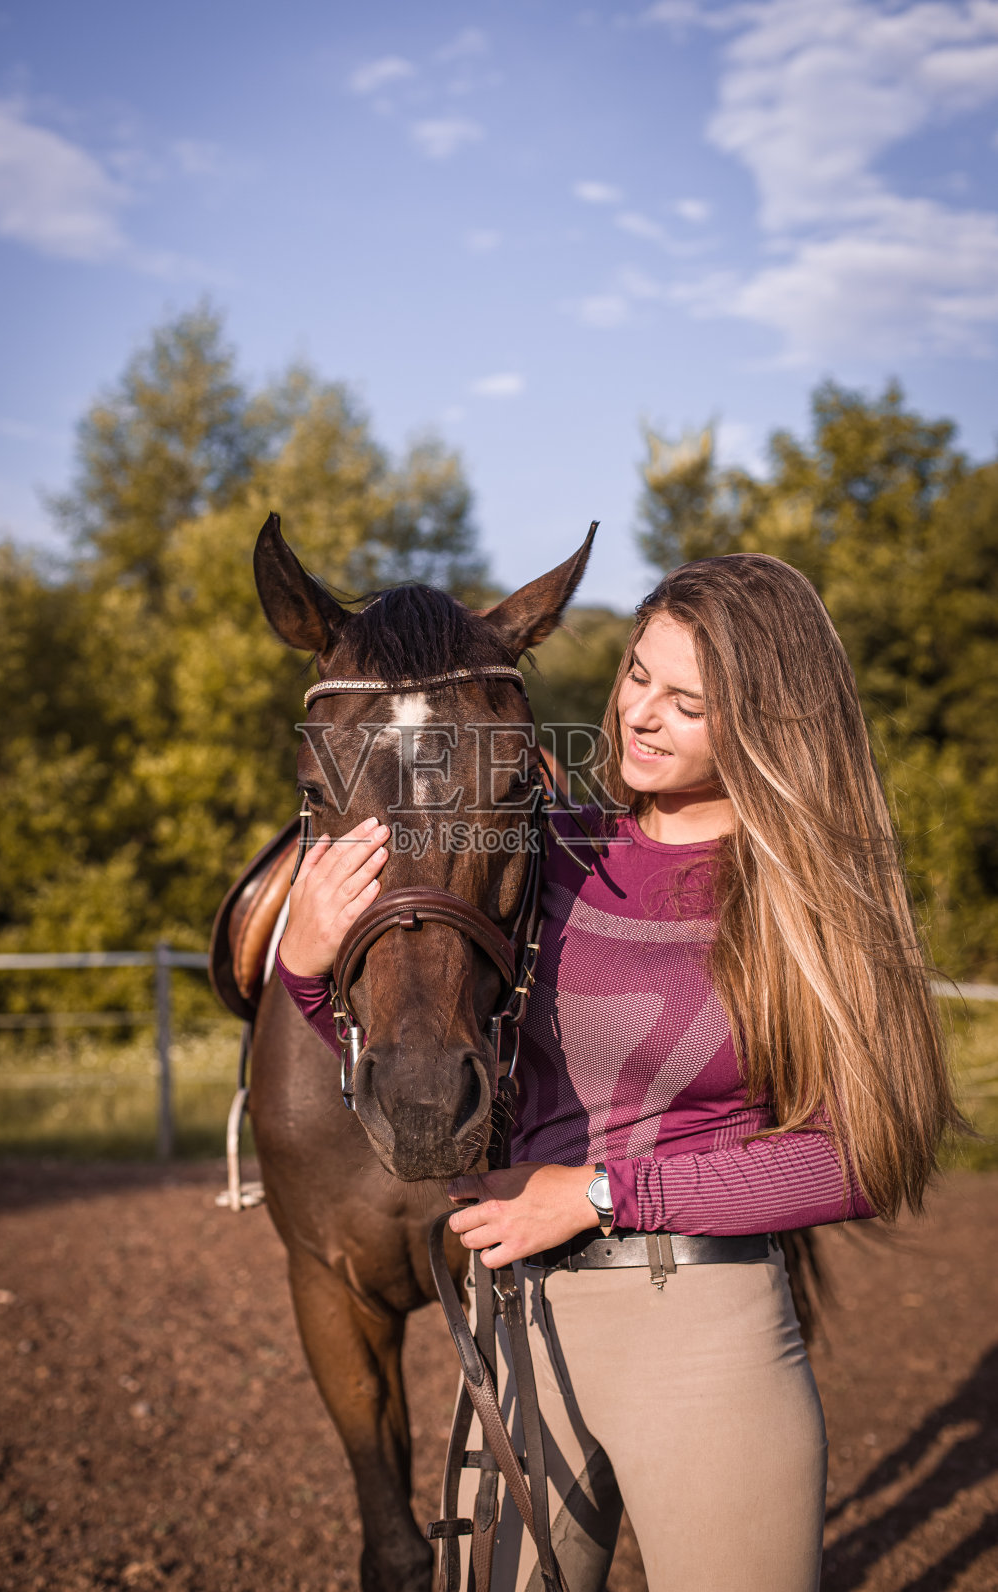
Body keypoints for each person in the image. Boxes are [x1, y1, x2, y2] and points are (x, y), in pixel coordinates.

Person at [275, 553, 960, 1592]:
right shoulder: (546, 851)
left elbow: (862, 1160)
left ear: (769, 722)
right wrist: (308, 965)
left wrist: (598, 1193)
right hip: (519, 1341)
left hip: (703, 1344)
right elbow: (424, 1051)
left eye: (687, 701)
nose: (640, 715)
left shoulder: (806, 902)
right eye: (637, 673)